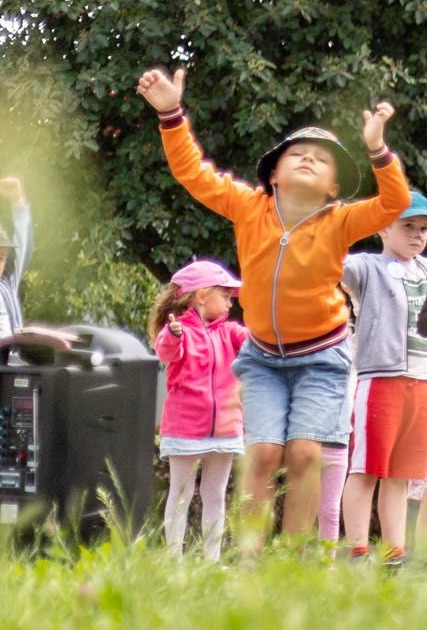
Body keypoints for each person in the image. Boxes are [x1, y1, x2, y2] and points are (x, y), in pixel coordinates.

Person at [137, 66, 410, 547]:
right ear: (274, 175)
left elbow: (394, 203)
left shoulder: (341, 220)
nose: (306, 159)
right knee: (263, 454)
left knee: (305, 454)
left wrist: (376, 150)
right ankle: (248, 557)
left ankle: (288, 562)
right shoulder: (248, 207)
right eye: (297, 154)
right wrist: (170, 114)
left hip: (322, 358)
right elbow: (192, 174)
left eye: (320, 160)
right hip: (263, 358)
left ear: (332, 187)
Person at [340, 190, 427, 565]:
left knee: (401, 474)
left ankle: (393, 551)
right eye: (408, 226)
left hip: (422, 379)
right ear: (383, 227)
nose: (417, 235)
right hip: (380, 378)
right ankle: (356, 547)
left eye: (424, 228)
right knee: (367, 466)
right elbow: (332, 257)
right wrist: (345, 217)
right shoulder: (367, 266)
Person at [151, 261, 248, 558]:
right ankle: (173, 558)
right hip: (185, 429)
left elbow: (254, 342)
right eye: (226, 296)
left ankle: (212, 559)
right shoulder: (179, 331)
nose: (231, 303)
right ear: (203, 295)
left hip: (225, 428)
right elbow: (165, 350)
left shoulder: (230, 332)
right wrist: (174, 334)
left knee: (216, 495)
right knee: (180, 493)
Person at [0, 176, 30, 339]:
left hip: (9, 361)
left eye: (1, 258)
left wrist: (17, 199)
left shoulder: (7, 284)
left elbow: (21, 243)